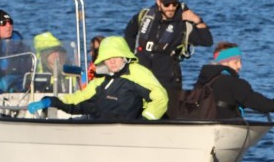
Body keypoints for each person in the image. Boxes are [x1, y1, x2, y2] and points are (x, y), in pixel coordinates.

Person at [27, 36, 168, 121]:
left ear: (125, 56)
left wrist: (145, 122)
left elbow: (160, 97)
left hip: (131, 132)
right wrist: (52, 101)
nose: (112, 61)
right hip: (100, 130)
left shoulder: (138, 72)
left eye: (116, 57)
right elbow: (79, 99)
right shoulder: (101, 80)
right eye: (107, 58)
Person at [124, 0, 212, 117]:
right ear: (158, 2)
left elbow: (207, 41)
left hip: (168, 76)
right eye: (167, 4)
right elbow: (129, 33)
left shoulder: (183, 22)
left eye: (174, 4)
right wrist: (130, 58)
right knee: (138, 110)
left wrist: (198, 21)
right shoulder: (146, 15)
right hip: (143, 72)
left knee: (168, 113)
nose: (171, 8)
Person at [191, 42, 274, 119]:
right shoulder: (234, 83)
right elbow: (263, 105)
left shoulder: (202, 81)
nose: (240, 66)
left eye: (240, 62)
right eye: (236, 62)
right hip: (225, 128)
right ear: (224, 62)